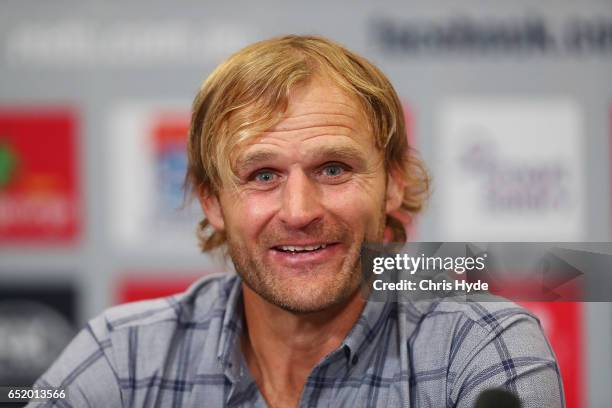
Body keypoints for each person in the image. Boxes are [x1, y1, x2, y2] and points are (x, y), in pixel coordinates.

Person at [28, 35, 563, 407]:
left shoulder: (481, 346)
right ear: (212, 200)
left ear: (394, 182)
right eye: (262, 175)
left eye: (334, 168)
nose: (301, 211)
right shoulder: (123, 354)